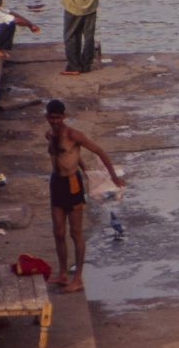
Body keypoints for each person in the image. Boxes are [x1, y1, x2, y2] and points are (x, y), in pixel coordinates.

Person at [45, 98, 125, 293]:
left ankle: (78, 278)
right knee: (58, 231)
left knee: (75, 232)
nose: (54, 121)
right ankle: (63, 274)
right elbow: (71, 155)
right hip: (56, 182)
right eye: (51, 118)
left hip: (72, 183)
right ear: (47, 117)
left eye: (58, 117)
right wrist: (84, 167)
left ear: (64, 116)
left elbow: (99, 151)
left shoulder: (73, 134)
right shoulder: (49, 135)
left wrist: (114, 178)